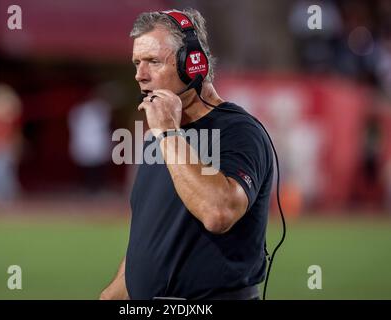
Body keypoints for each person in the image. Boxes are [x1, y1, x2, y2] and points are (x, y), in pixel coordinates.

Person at [100, 8, 273, 300]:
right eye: (137, 63)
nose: (140, 76)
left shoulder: (239, 131)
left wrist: (168, 133)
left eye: (153, 62)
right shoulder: (160, 136)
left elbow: (219, 213)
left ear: (192, 65)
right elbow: (151, 239)